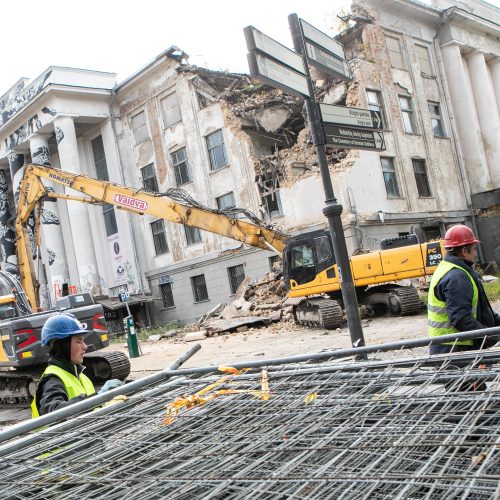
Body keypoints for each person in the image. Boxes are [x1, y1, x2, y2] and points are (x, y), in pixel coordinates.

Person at [31, 313, 122, 418]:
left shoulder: (81, 376)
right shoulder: (52, 379)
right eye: (79, 341)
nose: (85, 346)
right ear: (62, 346)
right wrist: (99, 397)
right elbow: (53, 412)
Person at [428, 224, 500, 355]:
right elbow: (460, 319)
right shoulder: (457, 276)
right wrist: (490, 336)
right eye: (474, 249)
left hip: (453, 346)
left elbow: (481, 309)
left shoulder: (451, 267)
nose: (476, 253)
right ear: (464, 251)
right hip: (455, 349)